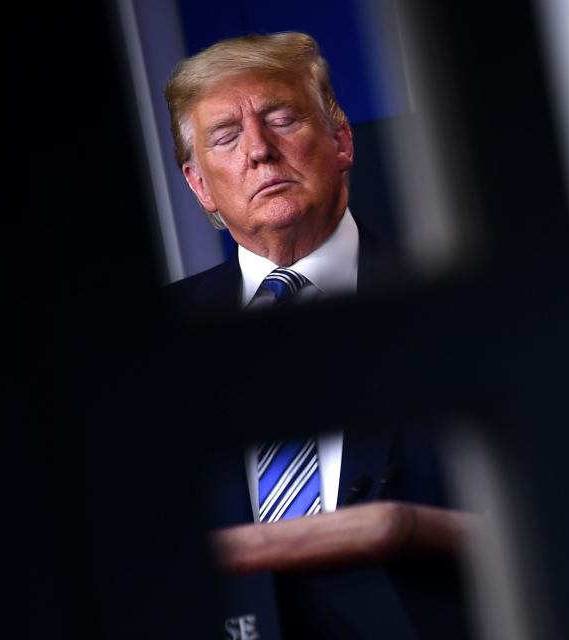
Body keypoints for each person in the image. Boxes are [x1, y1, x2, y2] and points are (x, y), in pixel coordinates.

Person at [162, 33, 464, 639]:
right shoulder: (157, 337)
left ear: (341, 139)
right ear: (199, 187)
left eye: (283, 119)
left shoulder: (449, 297)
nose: (260, 152)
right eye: (227, 136)